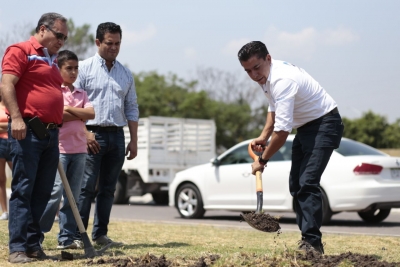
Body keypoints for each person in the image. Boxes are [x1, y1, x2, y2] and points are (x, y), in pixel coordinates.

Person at [238, 41, 344, 254]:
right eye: (247, 70)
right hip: (306, 128)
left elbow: (283, 131)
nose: (253, 75)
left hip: (324, 124)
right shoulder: (267, 77)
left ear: (268, 58)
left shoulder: (282, 79)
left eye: (256, 67)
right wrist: (263, 136)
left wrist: (262, 160)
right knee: (296, 185)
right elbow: (273, 107)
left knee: (308, 183)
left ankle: (312, 244)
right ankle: (306, 240)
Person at [0, 12, 68, 263]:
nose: (61, 41)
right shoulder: (21, 50)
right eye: (58, 35)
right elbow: (6, 84)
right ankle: (17, 248)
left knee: (42, 192)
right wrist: (16, 118)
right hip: (27, 130)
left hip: (50, 134)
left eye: (65, 38)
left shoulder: (52, 59)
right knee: (23, 190)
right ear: (42, 29)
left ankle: (32, 244)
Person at [73, 22, 139, 246]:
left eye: (118, 43)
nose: (114, 48)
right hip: (91, 135)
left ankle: (100, 235)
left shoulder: (125, 73)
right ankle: (78, 236)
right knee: (85, 187)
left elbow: (131, 108)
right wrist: (85, 132)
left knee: (109, 189)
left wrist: (134, 141)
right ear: (98, 42)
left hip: (117, 137)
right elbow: (73, 103)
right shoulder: (83, 69)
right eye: (109, 43)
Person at [39, 50, 95, 250]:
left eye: (76, 68)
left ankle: (66, 238)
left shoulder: (82, 93)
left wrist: (69, 110)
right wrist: (77, 113)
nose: (73, 72)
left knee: (73, 196)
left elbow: (91, 113)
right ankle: (37, 234)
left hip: (79, 150)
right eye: (68, 68)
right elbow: (57, 117)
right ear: (58, 69)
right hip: (59, 149)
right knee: (54, 193)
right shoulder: (54, 91)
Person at [0, 96, 12, 221]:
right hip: (0, 143)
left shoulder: (13, 107)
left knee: (21, 176)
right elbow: (13, 125)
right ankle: (5, 211)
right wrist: (10, 125)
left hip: (14, 142)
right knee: (1, 179)